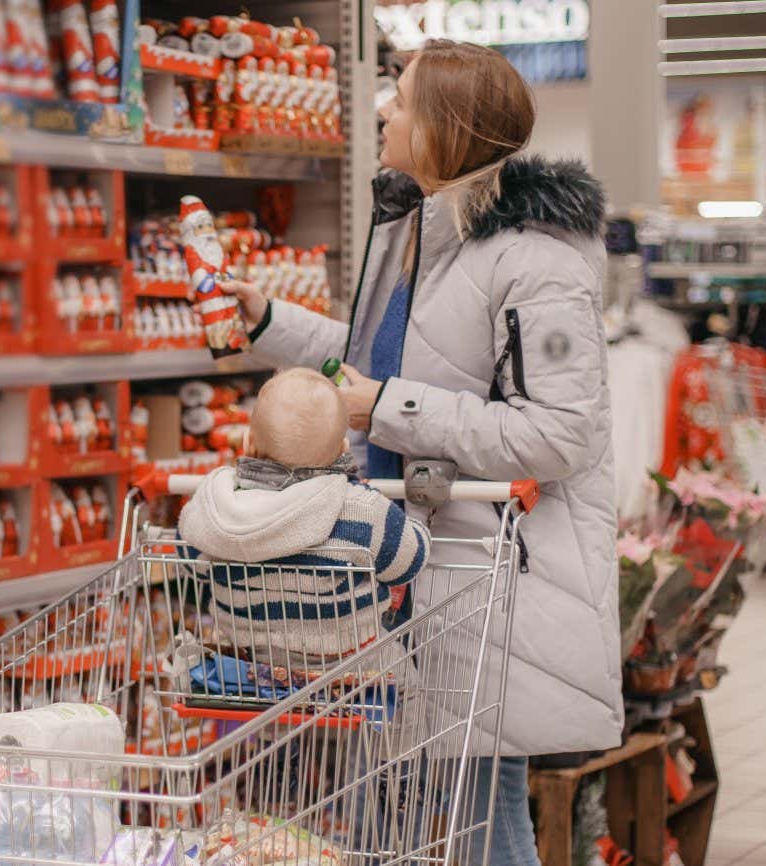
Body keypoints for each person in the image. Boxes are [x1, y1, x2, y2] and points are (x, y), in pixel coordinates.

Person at [220, 39, 622, 866]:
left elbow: (560, 434)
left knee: (483, 809)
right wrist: (269, 323)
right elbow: (380, 361)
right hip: (441, 568)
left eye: (400, 101)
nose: (383, 112)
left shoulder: (537, 261)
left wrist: (391, 409)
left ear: (446, 127)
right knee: (457, 806)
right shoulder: (432, 239)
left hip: (506, 578)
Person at [178, 368, 431, 677]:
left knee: (286, 721)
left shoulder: (216, 505)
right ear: (343, 449)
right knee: (404, 676)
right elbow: (408, 561)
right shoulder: (362, 510)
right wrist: (420, 525)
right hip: (354, 673)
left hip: (257, 672)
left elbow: (191, 561)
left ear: (248, 443)